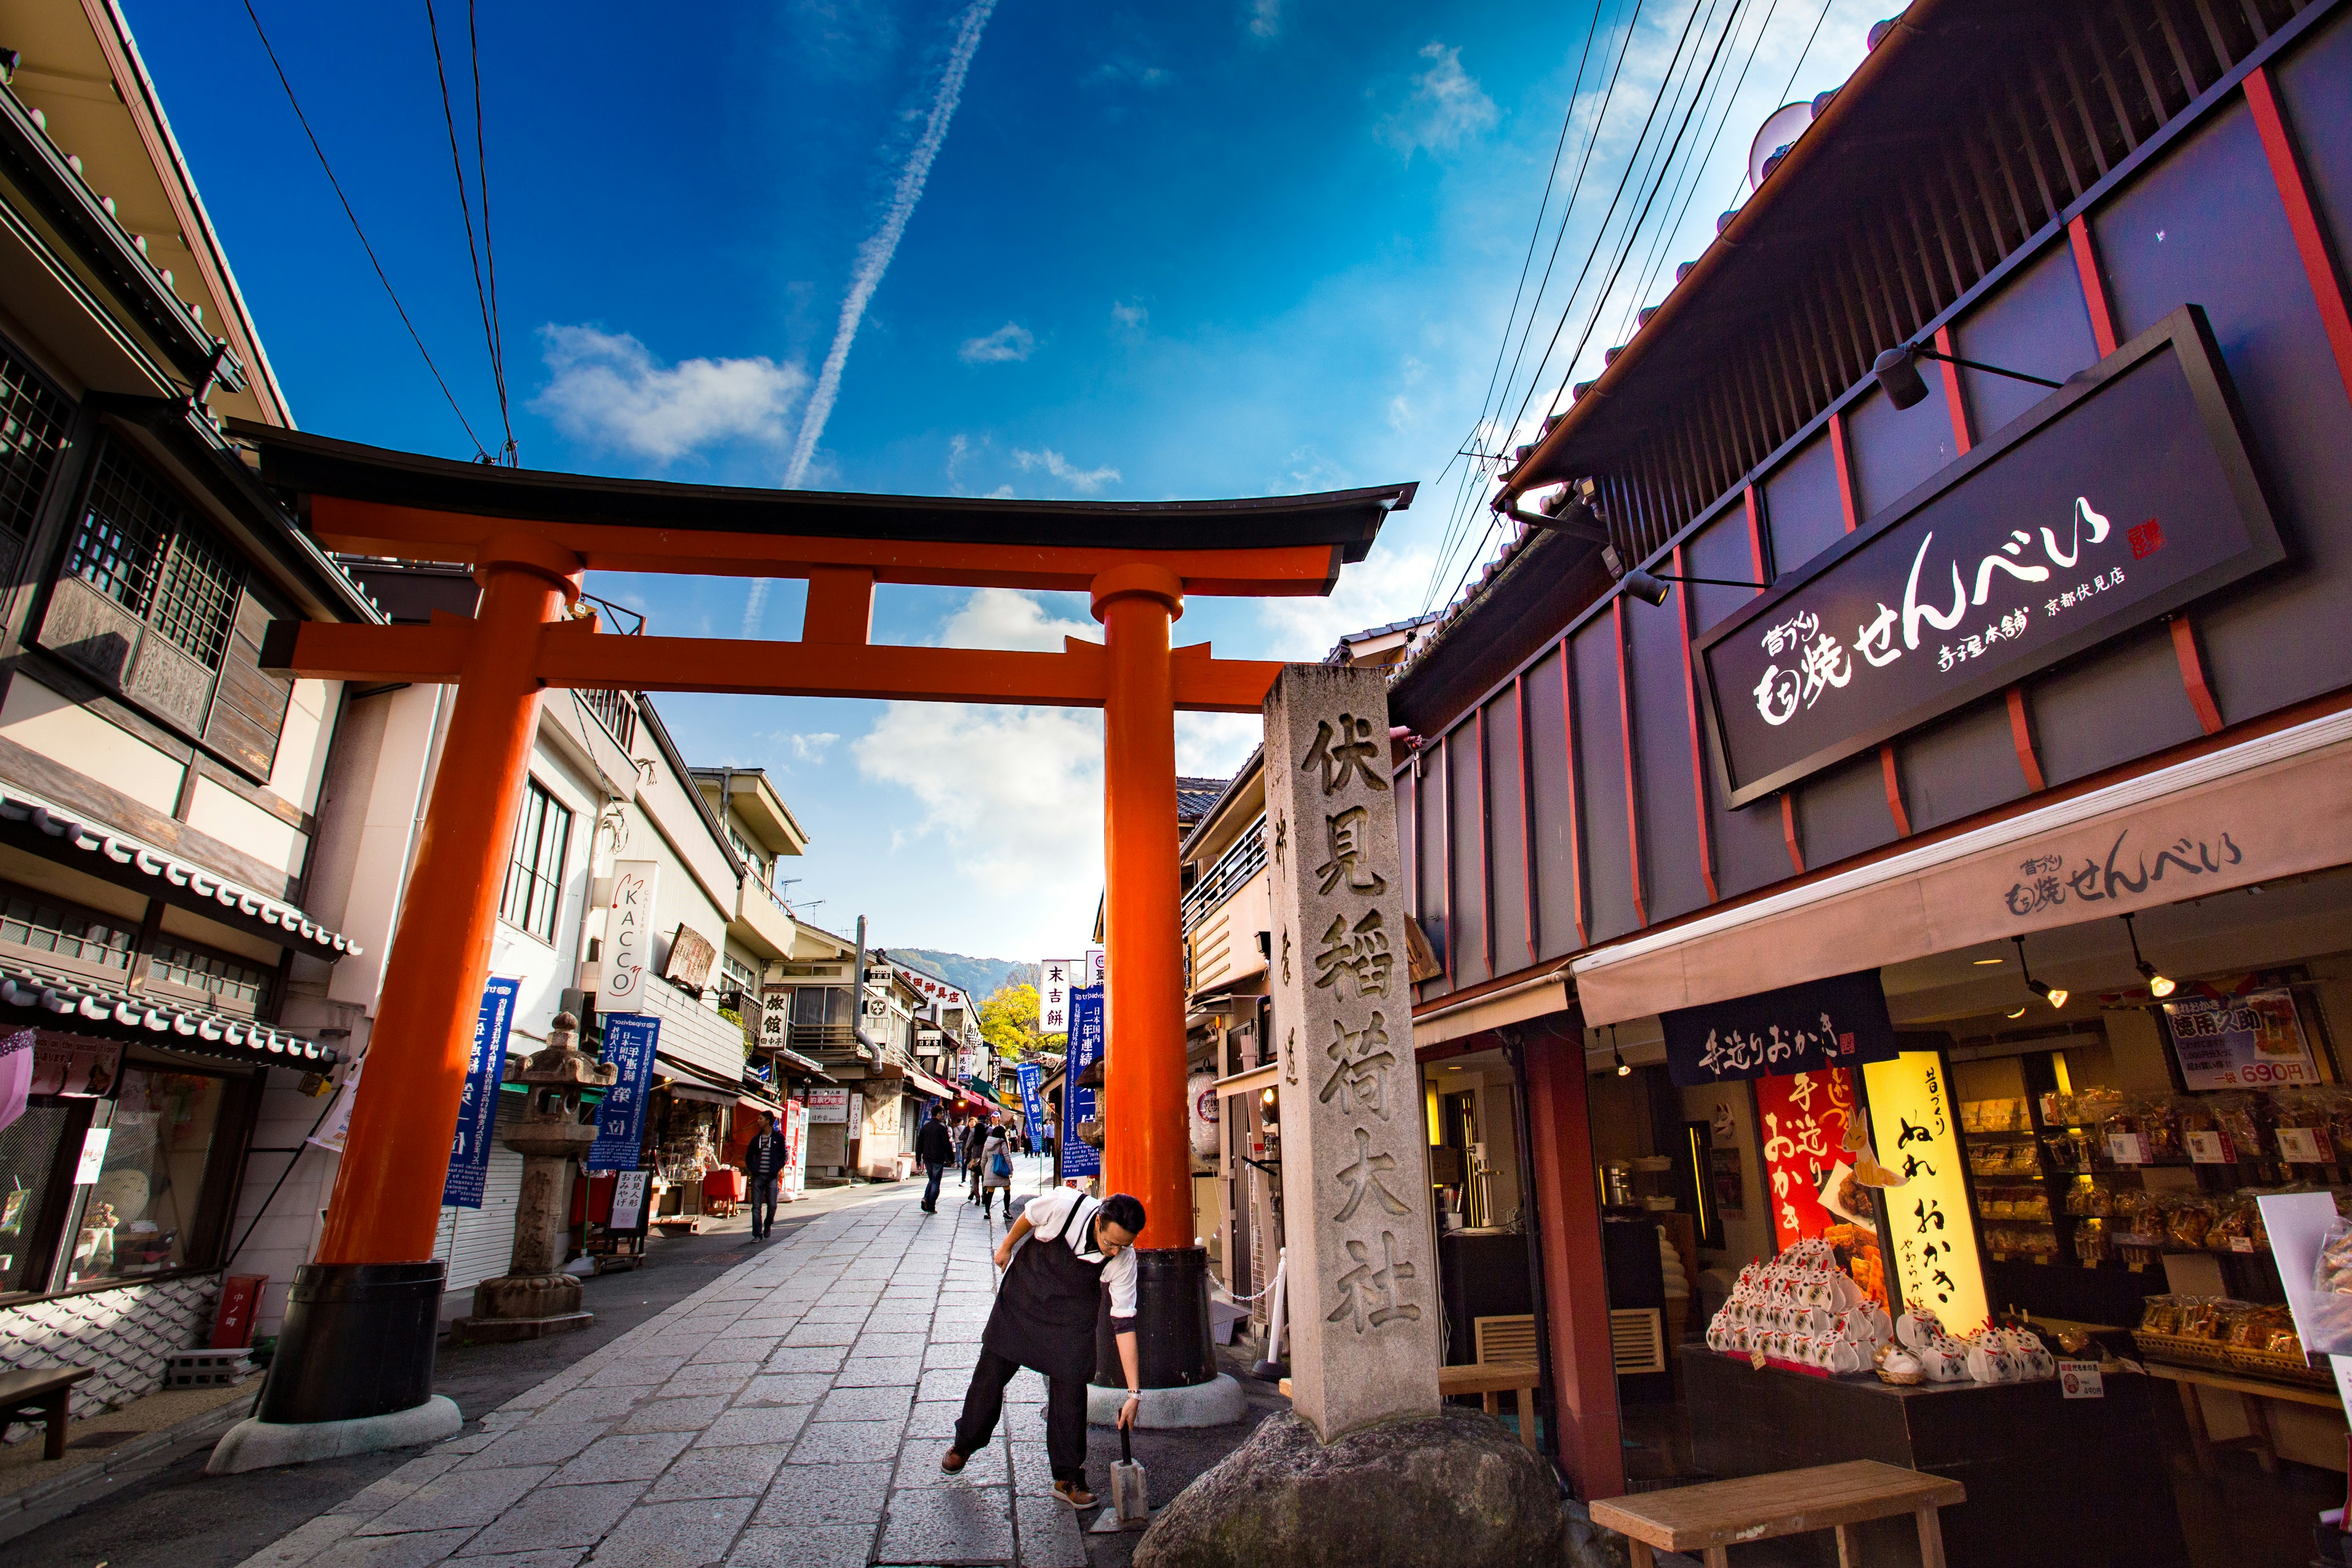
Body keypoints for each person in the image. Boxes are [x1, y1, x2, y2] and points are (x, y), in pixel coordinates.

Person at [944, 1189, 1147, 1509]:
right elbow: (1029, 1217)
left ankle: (1068, 1476)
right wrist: (1007, 1246)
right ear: (1098, 1221)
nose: (1115, 1251)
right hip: (1025, 1297)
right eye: (1111, 1243)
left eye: (1124, 1245)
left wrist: (1134, 1393)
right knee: (990, 1373)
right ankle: (964, 1443)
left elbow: (1124, 1322)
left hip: (1071, 1319)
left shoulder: (1124, 1258)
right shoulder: (1064, 1205)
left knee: (1072, 1386)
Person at [744, 1111, 787, 1240]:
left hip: (772, 1176)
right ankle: (757, 1234)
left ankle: (768, 1223)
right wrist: (753, 1169)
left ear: (768, 1121)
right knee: (756, 1206)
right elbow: (749, 1157)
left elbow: (785, 1155)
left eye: (761, 1119)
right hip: (758, 1176)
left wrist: (776, 1167)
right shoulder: (756, 1139)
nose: (758, 1121)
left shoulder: (779, 1138)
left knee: (772, 1205)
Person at [914, 1105, 955, 1214]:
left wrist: (918, 1161)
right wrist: (952, 1159)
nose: (943, 1116)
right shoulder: (942, 1129)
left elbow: (919, 1145)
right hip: (938, 1159)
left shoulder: (925, 1128)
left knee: (932, 1180)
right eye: (942, 1114)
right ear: (937, 1114)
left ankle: (926, 1199)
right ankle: (931, 1206)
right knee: (936, 1183)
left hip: (927, 1159)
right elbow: (947, 1145)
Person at [978, 1120, 1012, 1218]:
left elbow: (983, 1160)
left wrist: (984, 1172)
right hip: (1001, 1169)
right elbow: (1007, 1158)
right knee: (1007, 1190)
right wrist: (1010, 1170)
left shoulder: (988, 1143)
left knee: (990, 1192)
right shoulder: (1002, 1143)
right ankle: (1006, 1210)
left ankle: (987, 1212)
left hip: (990, 1169)